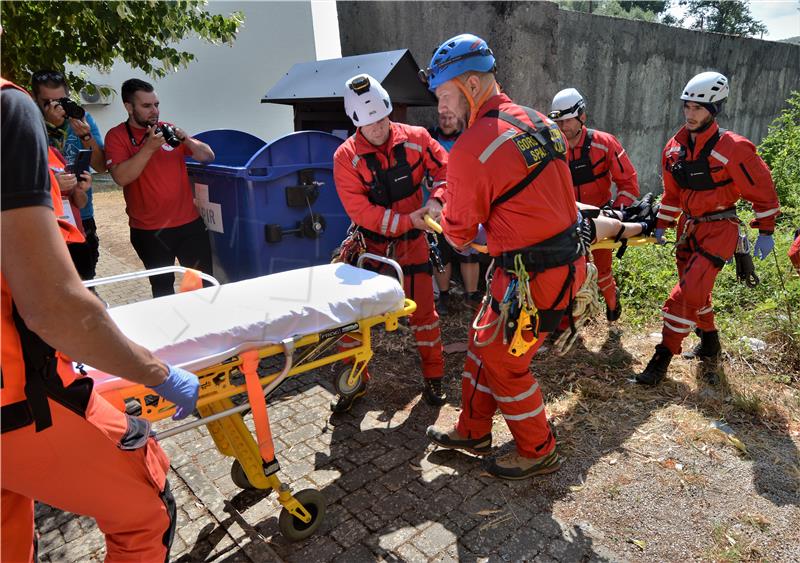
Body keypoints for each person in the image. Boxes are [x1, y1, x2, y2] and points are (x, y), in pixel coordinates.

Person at [1, 75, 200, 563]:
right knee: (147, 512)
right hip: (20, 401)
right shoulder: (8, 110)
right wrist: (160, 373)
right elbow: (53, 305)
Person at [422, 34, 587, 480]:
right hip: (540, 264)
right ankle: (472, 430)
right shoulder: (539, 121)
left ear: (471, 84)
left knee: (505, 363)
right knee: (482, 345)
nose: (442, 107)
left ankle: (538, 449)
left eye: (445, 94)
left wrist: (442, 221)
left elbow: (457, 233)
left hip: (535, 274)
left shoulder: (475, 144)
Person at [637, 71, 780, 385]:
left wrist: (766, 230)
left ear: (714, 109)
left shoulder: (734, 148)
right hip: (688, 229)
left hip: (720, 230)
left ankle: (661, 360)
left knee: (685, 295)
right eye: (686, 106)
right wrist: (662, 223)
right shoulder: (674, 148)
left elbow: (762, 189)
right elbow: (673, 194)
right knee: (698, 293)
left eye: (698, 108)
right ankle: (711, 344)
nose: (690, 113)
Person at [332, 73, 449, 411]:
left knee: (425, 316)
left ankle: (434, 377)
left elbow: (445, 169)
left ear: (388, 111)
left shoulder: (417, 138)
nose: (379, 128)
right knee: (354, 320)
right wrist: (403, 221)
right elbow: (360, 209)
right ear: (356, 124)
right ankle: (354, 383)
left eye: (383, 119)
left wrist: (438, 201)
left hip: (414, 244)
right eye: (371, 125)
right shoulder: (346, 157)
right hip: (370, 250)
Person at [104, 78, 215, 297]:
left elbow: (208, 156)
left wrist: (188, 141)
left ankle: (205, 327)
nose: (154, 111)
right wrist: (148, 148)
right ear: (129, 107)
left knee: (203, 287)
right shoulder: (116, 136)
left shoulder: (167, 129)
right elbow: (121, 178)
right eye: (146, 106)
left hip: (189, 225)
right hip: (150, 231)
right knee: (163, 289)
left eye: (156, 104)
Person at [549, 87, 640, 321]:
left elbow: (629, 183)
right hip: (567, 222)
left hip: (601, 218)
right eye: (558, 121)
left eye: (568, 120)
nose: (563, 127)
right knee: (569, 273)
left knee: (602, 273)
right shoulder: (552, 150)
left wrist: (616, 213)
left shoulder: (605, 143)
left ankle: (612, 306)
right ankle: (571, 321)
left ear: (582, 117)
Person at [31, 70, 106, 281]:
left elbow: (100, 166)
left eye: (60, 100)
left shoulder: (82, 118)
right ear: (34, 99)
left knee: (85, 281)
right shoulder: (27, 121)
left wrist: (85, 136)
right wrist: (49, 127)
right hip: (43, 220)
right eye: (47, 102)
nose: (56, 108)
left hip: (81, 215)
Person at [428, 110, 481, 313]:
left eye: (451, 117)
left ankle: (471, 296)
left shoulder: (469, 140)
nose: (447, 121)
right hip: (437, 207)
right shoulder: (430, 139)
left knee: (469, 251)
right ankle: (443, 297)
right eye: (442, 117)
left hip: (466, 205)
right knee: (440, 254)